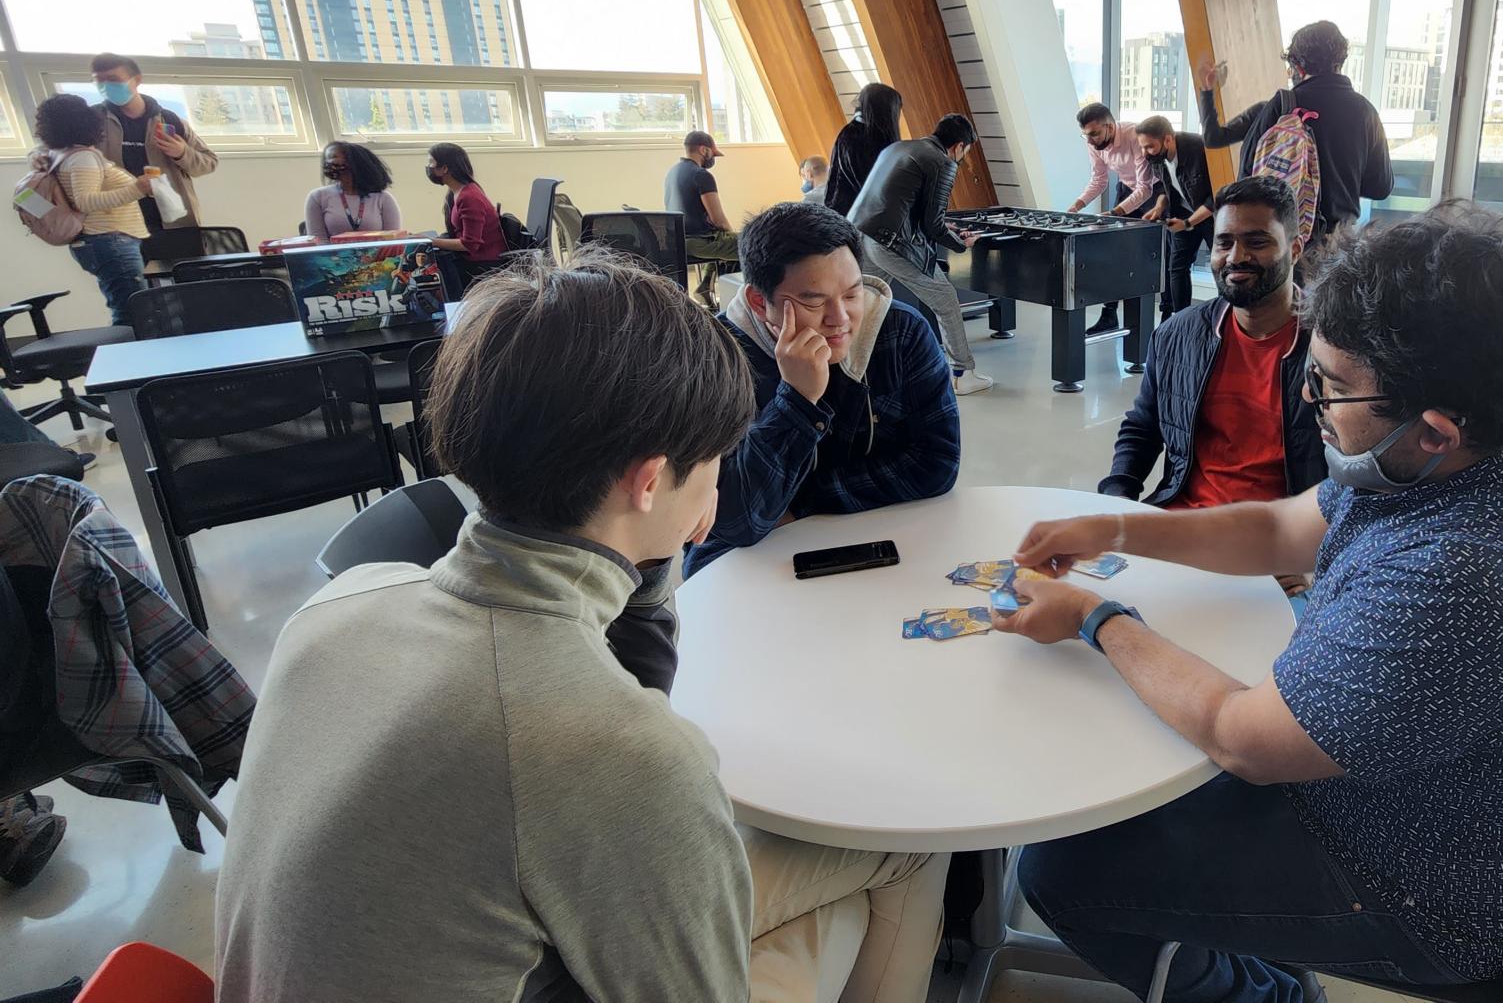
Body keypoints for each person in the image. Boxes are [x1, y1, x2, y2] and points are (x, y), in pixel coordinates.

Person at [215, 248, 948, 1003]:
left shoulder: (338, 607)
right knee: (899, 849)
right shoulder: (618, 752)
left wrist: (644, 552)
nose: (723, 478)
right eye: (719, 458)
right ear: (648, 479)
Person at [993, 208, 1503, 1001]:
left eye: (1333, 389)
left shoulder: (1463, 577)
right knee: (1115, 766)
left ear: (1435, 430)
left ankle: (1268, 993)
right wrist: (1116, 525)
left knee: (1064, 869)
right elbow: (1279, 526)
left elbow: (1242, 739)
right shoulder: (1462, 452)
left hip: (1405, 891)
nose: (1312, 400)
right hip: (1368, 785)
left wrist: (1093, 619)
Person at [681, 203, 958, 574]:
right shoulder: (712, 356)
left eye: (851, 293)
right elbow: (736, 521)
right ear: (759, 302)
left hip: (873, 534)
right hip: (749, 564)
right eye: (813, 300)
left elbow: (936, 464)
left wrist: (798, 506)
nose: (840, 319)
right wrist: (797, 399)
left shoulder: (901, 333)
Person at [1101, 175, 1322, 516]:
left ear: (1294, 249)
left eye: (1257, 242)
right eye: (1224, 243)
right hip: (1181, 522)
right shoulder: (1177, 335)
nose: (1236, 257)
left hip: (1282, 545)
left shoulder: (1334, 348)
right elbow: (1143, 426)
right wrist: (1118, 495)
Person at [1199, 21, 1391, 269]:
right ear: (1340, 63)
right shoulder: (1366, 112)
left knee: (1284, 307)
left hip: (1286, 242)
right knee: (1328, 308)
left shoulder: (1284, 106)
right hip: (1340, 248)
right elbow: (1381, 187)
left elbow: (1246, 176)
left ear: (1297, 65)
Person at [850, 112, 993, 396]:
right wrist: (961, 244)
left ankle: (851, 366)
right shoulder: (942, 162)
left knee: (863, 300)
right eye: (965, 151)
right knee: (946, 300)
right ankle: (962, 373)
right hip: (890, 242)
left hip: (861, 232)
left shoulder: (899, 147)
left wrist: (945, 226)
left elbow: (901, 202)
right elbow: (932, 224)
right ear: (959, 146)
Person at [27, 94, 155, 325]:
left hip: (100, 243)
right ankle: (129, 358)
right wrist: (138, 188)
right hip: (110, 241)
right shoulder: (83, 157)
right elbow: (85, 201)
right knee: (133, 313)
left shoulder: (57, 155)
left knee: (128, 307)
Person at [86, 52, 217, 232]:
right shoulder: (91, 120)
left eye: (113, 79)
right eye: (99, 80)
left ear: (137, 80)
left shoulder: (170, 120)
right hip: (116, 225)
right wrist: (37, 158)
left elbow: (209, 163)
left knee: (182, 261)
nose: (106, 86)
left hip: (173, 222)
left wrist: (182, 153)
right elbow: (54, 149)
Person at [1068, 103, 1158, 335]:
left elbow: (1145, 188)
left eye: (1094, 134)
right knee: (1116, 255)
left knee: (1151, 258)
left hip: (1155, 193)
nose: (1090, 140)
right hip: (1127, 190)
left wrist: (1116, 212)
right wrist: (1077, 205)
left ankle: (1160, 321)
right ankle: (1109, 316)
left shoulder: (1133, 135)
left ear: (1109, 127)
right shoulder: (1095, 143)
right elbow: (1099, 180)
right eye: (1085, 135)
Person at [1135, 115, 1214, 320]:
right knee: (1177, 268)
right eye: (1142, 147)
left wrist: (1188, 223)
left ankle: (1226, 320)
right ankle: (1182, 320)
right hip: (1182, 214)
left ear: (1168, 139)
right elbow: (1166, 186)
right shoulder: (1158, 158)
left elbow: (1216, 195)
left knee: (1221, 267)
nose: (1145, 153)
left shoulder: (1199, 148)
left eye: (1149, 147)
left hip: (1212, 217)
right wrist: (1160, 206)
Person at [665, 130, 739, 301]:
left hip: (679, 241)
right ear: (703, 150)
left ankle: (705, 287)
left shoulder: (672, 173)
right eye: (712, 153)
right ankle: (736, 301)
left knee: (725, 242)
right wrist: (731, 233)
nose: (712, 158)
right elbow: (718, 220)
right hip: (699, 242)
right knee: (751, 244)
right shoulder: (701, 175)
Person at [424, 141, 505, 289]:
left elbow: (470, 244)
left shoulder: (469, 197)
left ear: (444, 168)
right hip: (471, 260)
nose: (428, 167)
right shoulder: (457, 192)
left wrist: (433, 241)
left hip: (482, 265)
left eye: (431, 163)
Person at [824, 82, 904, 217]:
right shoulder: (860, 137)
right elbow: (872, 188)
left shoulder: (854, 133)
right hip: (861, 220)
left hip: (854, 217)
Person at [304, 141, 400, 238]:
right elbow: (318, 241)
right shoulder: (317, 197)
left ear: (353, 161)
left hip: (379, 253)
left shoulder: (383, 198)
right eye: (326, 159)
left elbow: (393, 239)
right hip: (334, 253)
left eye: (333, 157)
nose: (328, 163)